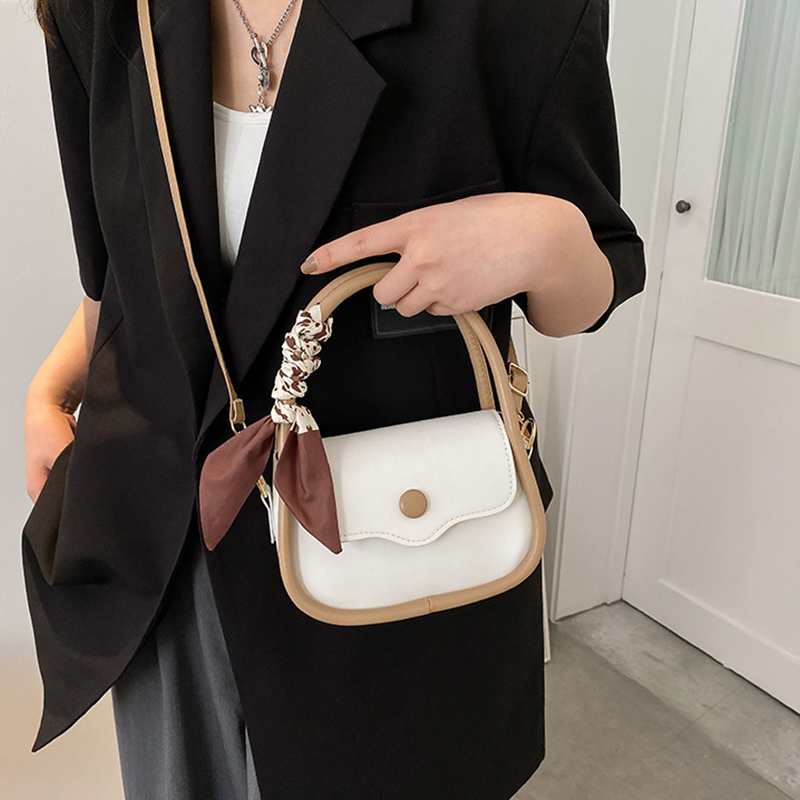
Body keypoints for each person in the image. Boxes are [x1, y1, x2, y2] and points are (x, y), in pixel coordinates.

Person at [23, 0, 646, 797]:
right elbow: (120, 273)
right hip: (167, 553)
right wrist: (52, 387)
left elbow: (587, 286)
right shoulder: (98, 9)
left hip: (390, 557)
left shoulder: (517, 13)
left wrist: (546, 241)